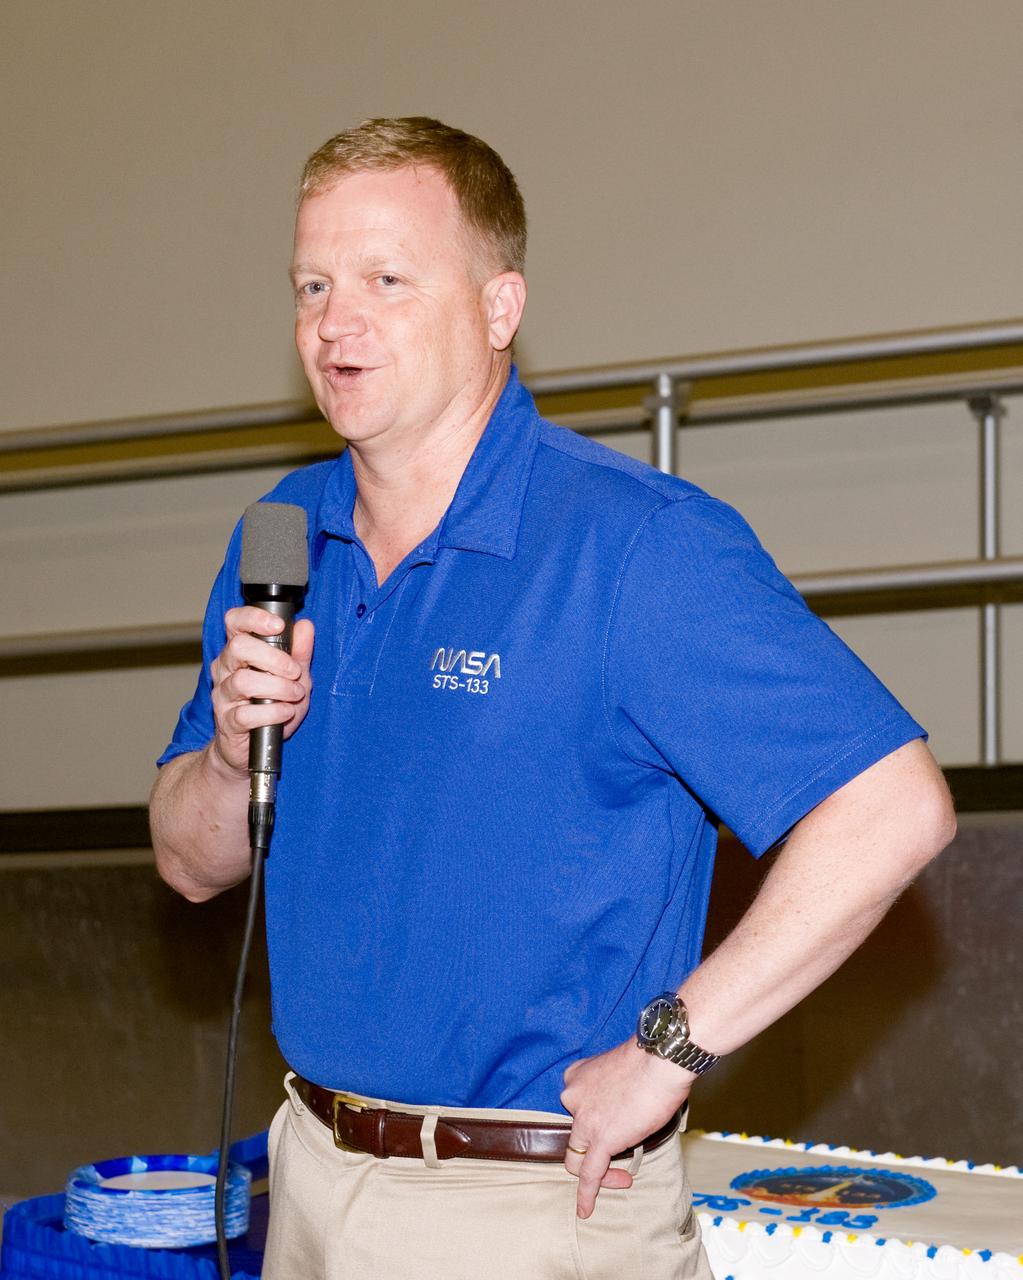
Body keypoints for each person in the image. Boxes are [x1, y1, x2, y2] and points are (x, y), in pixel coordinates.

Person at [150, 117, 956, 1280]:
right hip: (311, 1183)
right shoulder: (283, 537)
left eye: (386, 279)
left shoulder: (633, 547)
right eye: (313, 283)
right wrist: (232, 755)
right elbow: (188, 862)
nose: (336, 321)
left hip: (528, 1211)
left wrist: (671, 1045)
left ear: (497, 309)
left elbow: (895, 807)